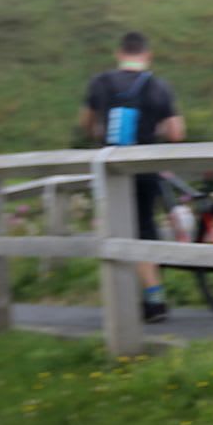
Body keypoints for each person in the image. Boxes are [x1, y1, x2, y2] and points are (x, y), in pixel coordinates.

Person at [79, 30, 186, 323]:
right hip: (146, 167)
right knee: (145, 226)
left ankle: (145, 296)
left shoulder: (100, 83)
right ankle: (152, 296)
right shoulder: (158, 86)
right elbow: (176, 133)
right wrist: (155, 132)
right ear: (147, 55)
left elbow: (86, 123)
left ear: (119, 53)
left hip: (112, 168)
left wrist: (98, 136)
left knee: (116, 230)